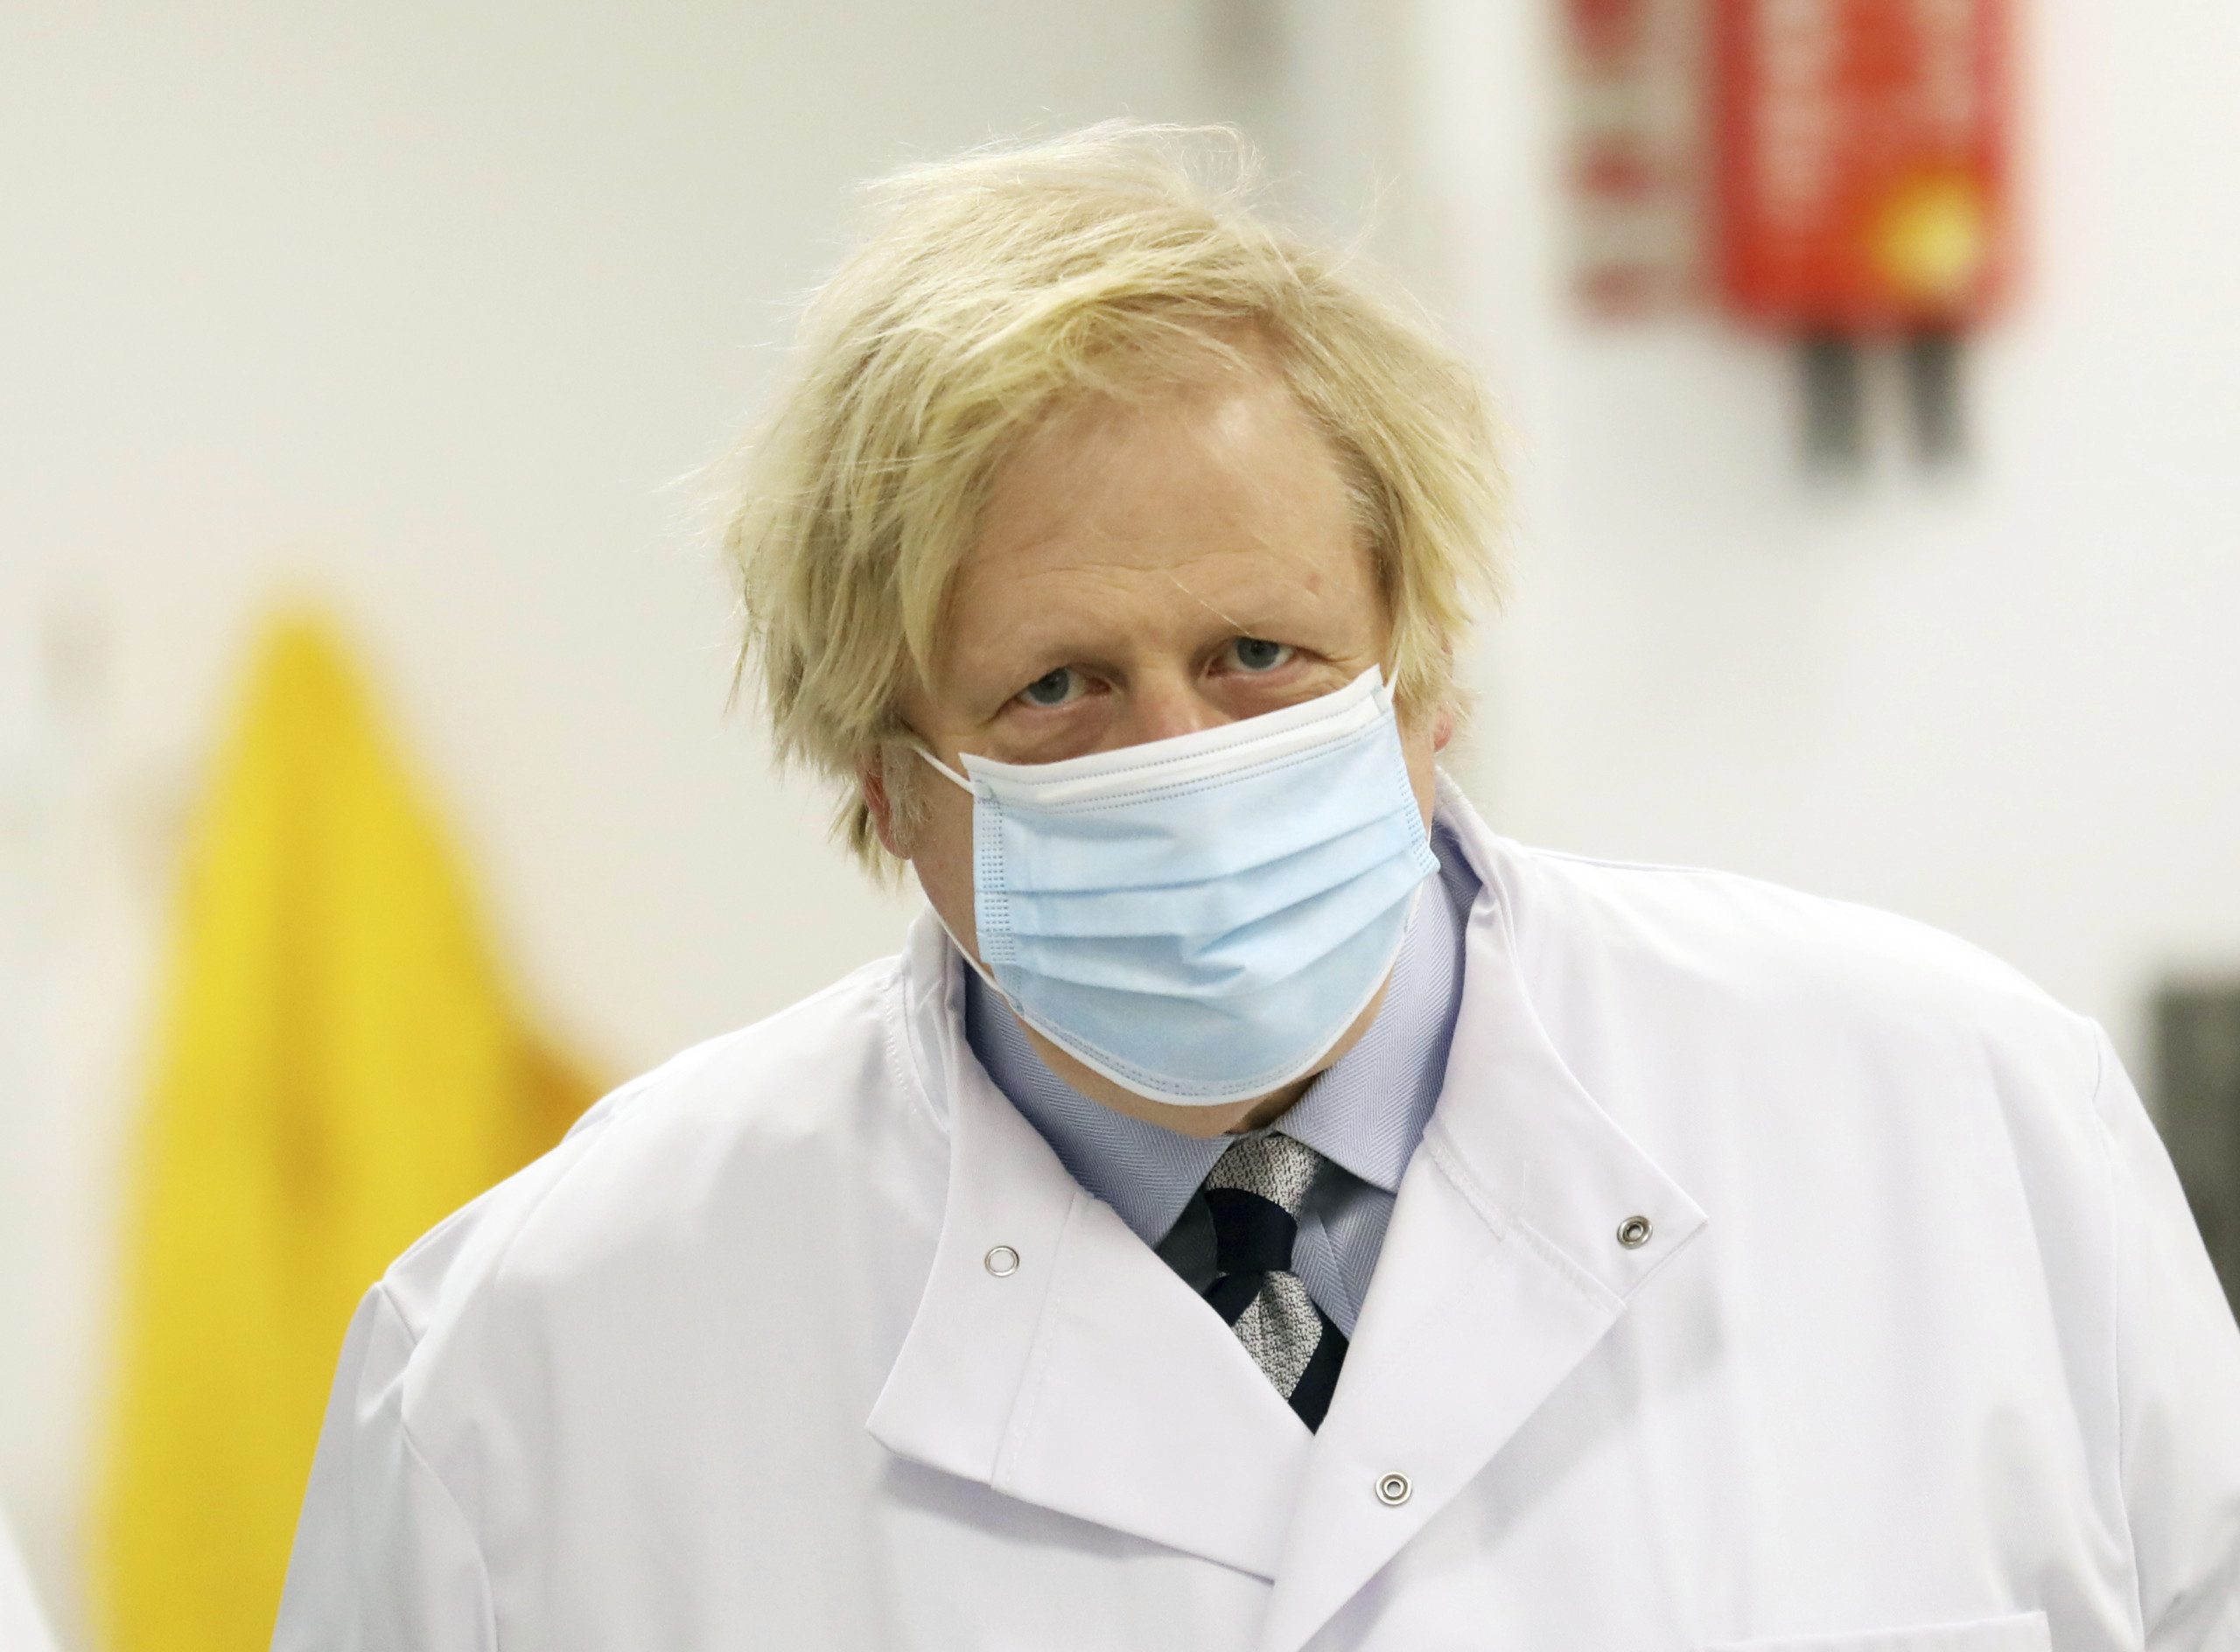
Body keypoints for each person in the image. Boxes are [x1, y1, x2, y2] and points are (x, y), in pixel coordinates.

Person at [273, 126, 2240, 1651]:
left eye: (1259, 658)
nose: (1176, 755)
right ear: (886, 788)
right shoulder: (538, 1360)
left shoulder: (1957, 1122)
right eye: (1054, 689)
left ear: (1422, 678)